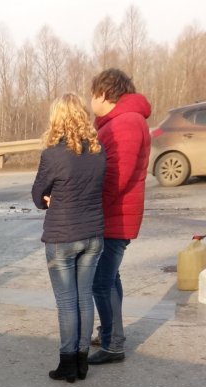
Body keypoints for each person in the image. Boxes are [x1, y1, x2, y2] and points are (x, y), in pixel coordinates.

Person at [32, 93, 106, 383]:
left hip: (63, 237)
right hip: (93, 235)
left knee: (66, 302)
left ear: (57, 119)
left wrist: (50, 198)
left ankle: (67, 364)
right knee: (84, 299)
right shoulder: (99, 150)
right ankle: (82, 361)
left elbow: (38, 194)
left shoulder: (53, 154)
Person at [88, 68, 151, 365]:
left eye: (92, 94)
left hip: (115, 215)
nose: (91, 101)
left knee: (101, 282)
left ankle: (114, 344)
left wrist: (91, 207)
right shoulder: (123, 120)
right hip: (117, 214)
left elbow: (117, 177)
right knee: (110, 278)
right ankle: (110, 332)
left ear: (103, 94)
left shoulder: (124, 123)